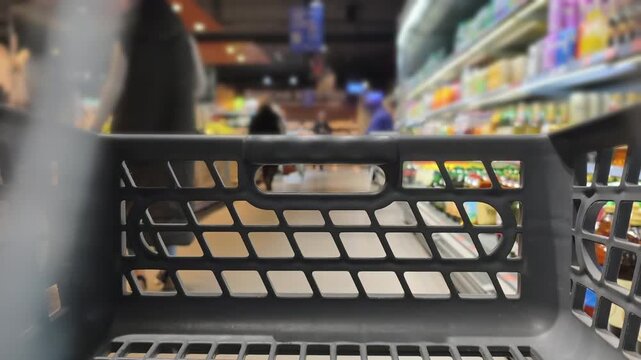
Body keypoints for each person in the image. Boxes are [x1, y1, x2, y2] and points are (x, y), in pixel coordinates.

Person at [95, 0, 206, 289]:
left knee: (131, 205)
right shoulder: (184, 41)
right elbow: (200, 85)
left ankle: (138, 272)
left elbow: (114, 87)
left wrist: (93, 127)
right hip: (175, 141)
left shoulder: (130, 37)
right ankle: (169, 268)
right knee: (169, 204)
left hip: (134, 139)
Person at [248, 103, 285, 191]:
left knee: (264, 164)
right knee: (274, 163)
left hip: (261, 143)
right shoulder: (274, 117)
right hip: (273, 143)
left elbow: (251, 131)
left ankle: (266, 179)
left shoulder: (256, 117)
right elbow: (280, 130)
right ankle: (270, 178)